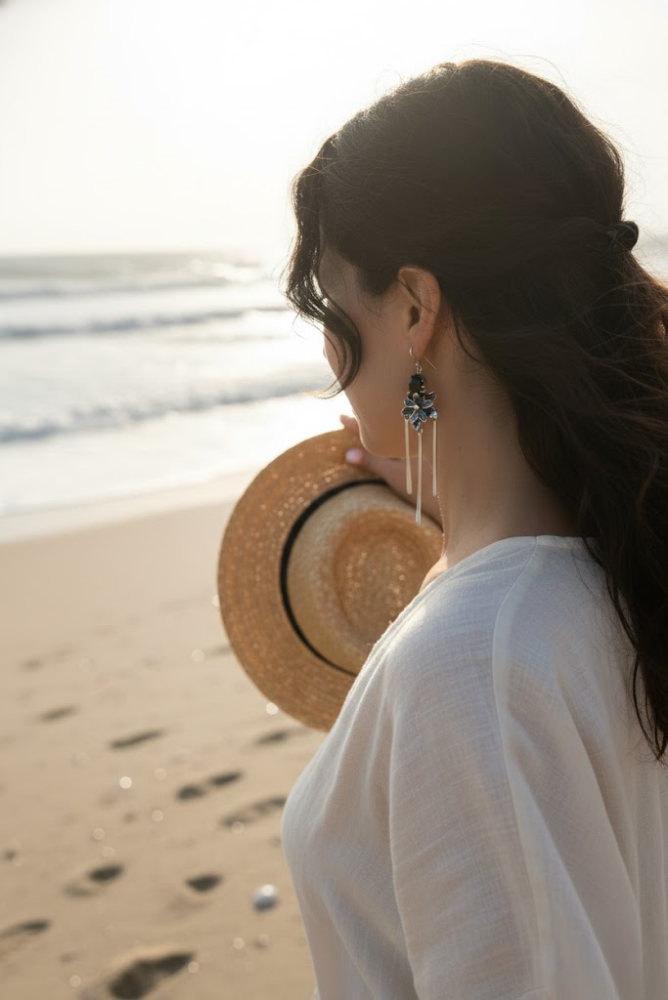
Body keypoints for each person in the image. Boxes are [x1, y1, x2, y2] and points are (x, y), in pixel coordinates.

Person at [279, 57, 668, 999]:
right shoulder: (618, 567)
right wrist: (453, 502)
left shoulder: (469, 669)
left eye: (334, 309)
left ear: (417, 306)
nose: (329, 351)